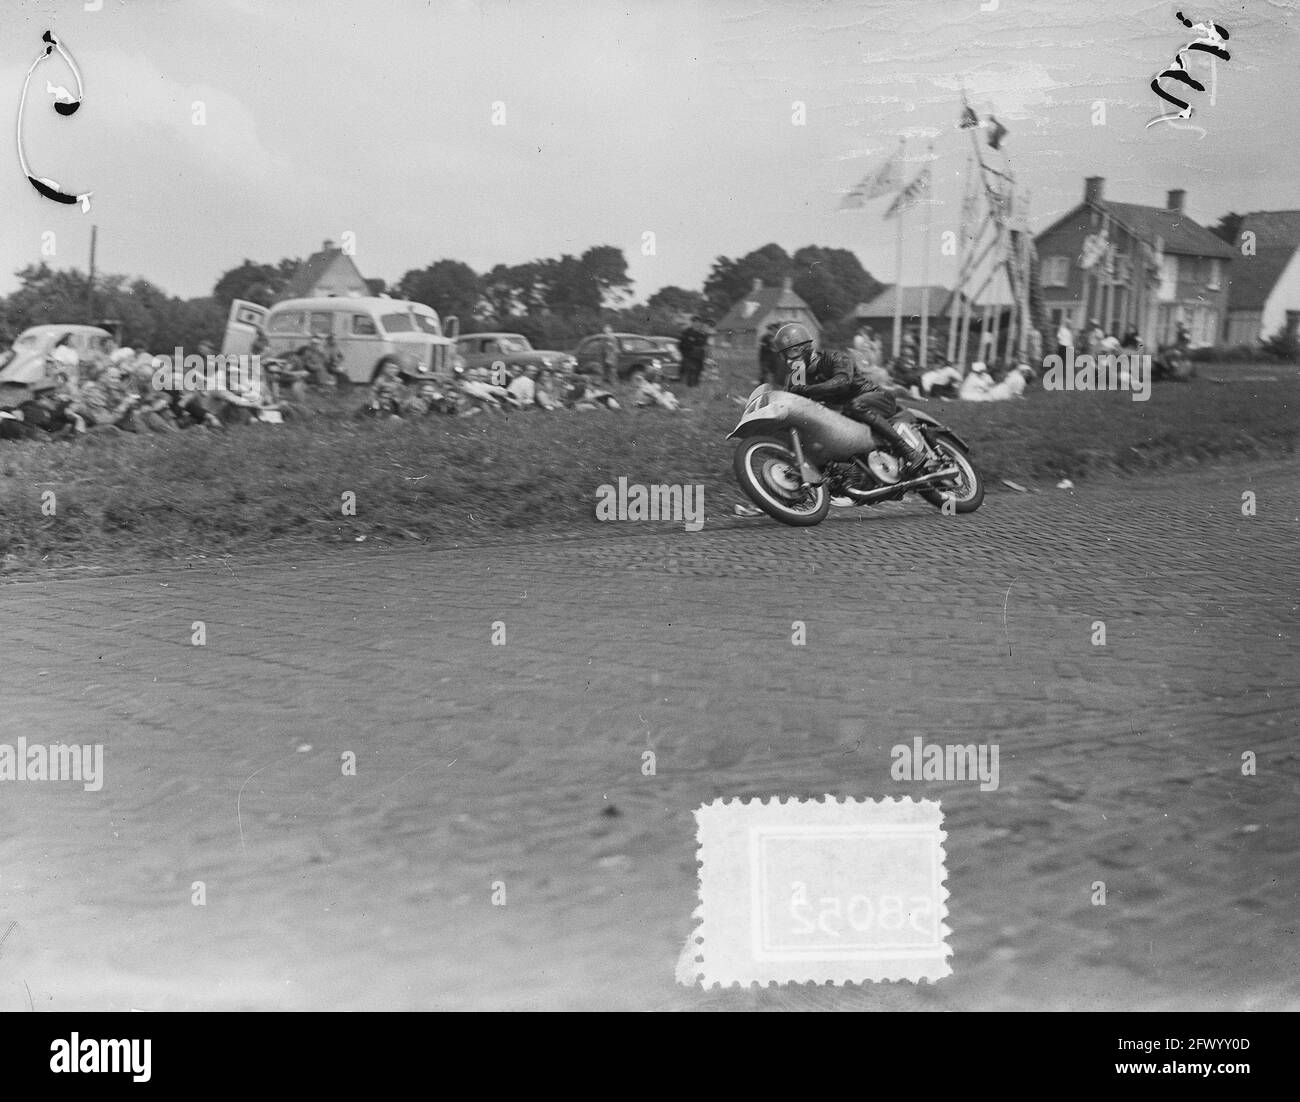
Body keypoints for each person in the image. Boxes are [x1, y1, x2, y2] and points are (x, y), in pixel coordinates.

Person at [773, 322, 927, 474]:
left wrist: (807, 389)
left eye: (792, 352)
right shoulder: (799, 373)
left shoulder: (836, 357)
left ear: (805, 348)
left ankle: (909, 452)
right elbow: (790, 397)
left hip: (875, 398)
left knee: (855, 405)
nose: (788, 360)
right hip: (848, 413)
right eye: (784, 355)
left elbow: (841, 383)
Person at [678, 315, 707, 388]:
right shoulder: (687, 332)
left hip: (699, 357)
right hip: (688, 355)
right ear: (692, 323)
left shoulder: (702, 334)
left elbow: (704, 345)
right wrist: (685, 353)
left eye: (698, 322)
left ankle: (696, 386)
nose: (696, 324)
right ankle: (688, 386)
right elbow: (681, 345)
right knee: (689, 372)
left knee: (698, 372)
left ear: (700, 323)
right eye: (694, 322)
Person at [757, 322, 782, 386]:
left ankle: (775, 386)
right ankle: (761, 385)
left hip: (775, 359)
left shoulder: (778, 338)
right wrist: (771, 349)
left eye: (777, 329)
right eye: (773, 329)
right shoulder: (764, 338)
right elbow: (763, 347)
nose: (775, 331)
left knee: (776, 373)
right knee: (765, 373)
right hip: (765, 359)